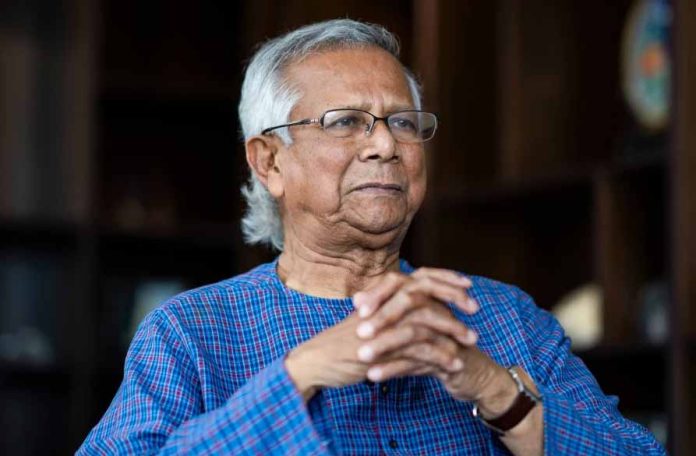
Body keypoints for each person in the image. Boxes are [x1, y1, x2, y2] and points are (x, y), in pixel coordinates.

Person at [78, 19, 665, 455]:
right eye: (345, 122)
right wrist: (299, 375)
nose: (385, 145)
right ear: (269, 162)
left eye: (402, 122)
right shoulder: (191, 333)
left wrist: (495, 390)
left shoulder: (505, 319)